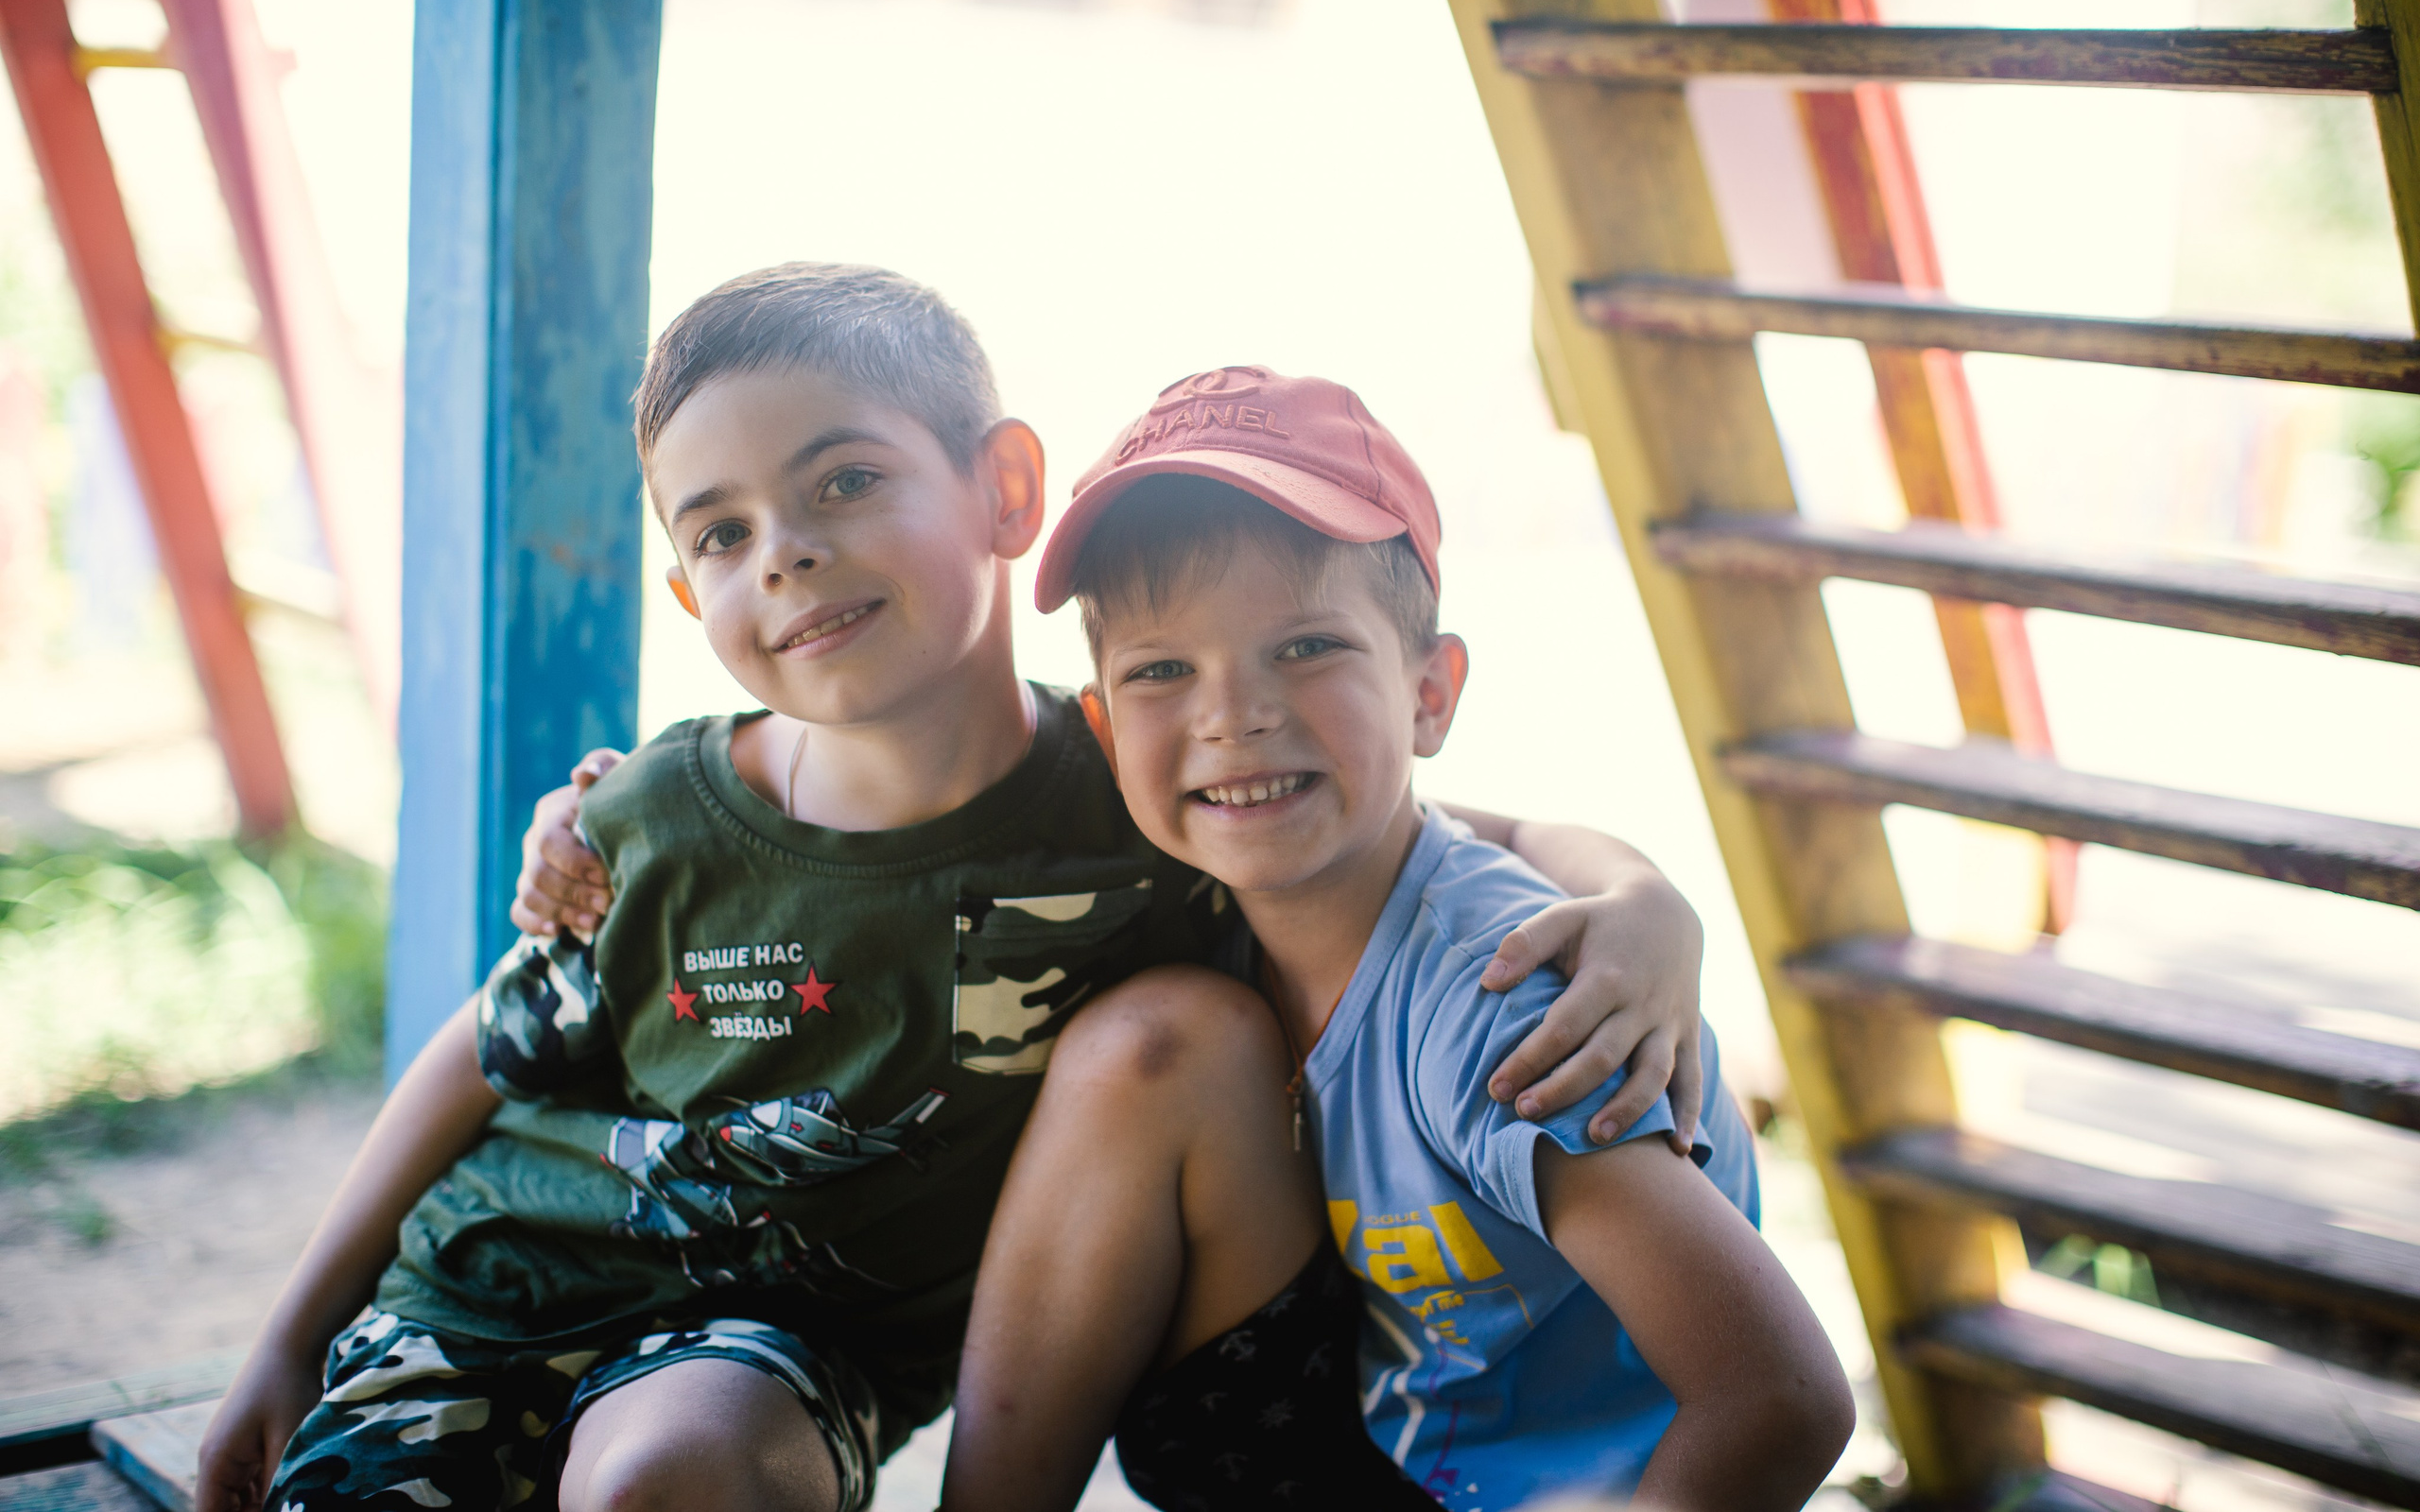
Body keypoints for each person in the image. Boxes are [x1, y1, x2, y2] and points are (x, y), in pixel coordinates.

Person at [197, 266, 1714, 1512]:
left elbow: (1445, 828)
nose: (787, 553)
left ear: (1004, 488)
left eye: (844, 480)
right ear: (688, 590)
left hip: (770, 1360)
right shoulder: (654, 808)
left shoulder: (1146, 786)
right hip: (474, 1291)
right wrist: (287, 1335)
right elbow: (486, 1044)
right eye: (722, 531)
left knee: (672, 1471)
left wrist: (1649, 900)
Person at [942, 369, 1855, 1512]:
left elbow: (1780, 1398)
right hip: (1389, 1431)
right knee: (1145, 1045)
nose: (1233, 715)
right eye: (1162, 671)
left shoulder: (1505, 1006)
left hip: (1564, 1492)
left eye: (1306, 648)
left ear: (1430, 694)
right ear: (1103, 727)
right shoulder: (1230, 866)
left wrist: (1640, 904)